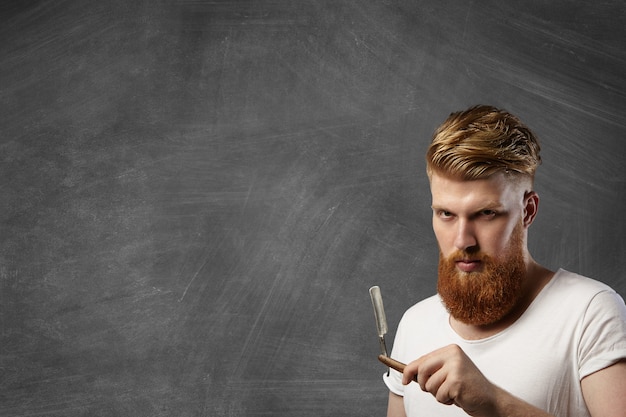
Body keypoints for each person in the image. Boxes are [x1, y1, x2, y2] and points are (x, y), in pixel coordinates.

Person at [383, 105, 626, 417]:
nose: (462, 240)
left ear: (528, 211)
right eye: (446, 214)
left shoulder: (591, 313)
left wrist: (495, 403)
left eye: (486, 214)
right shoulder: (415, 324)